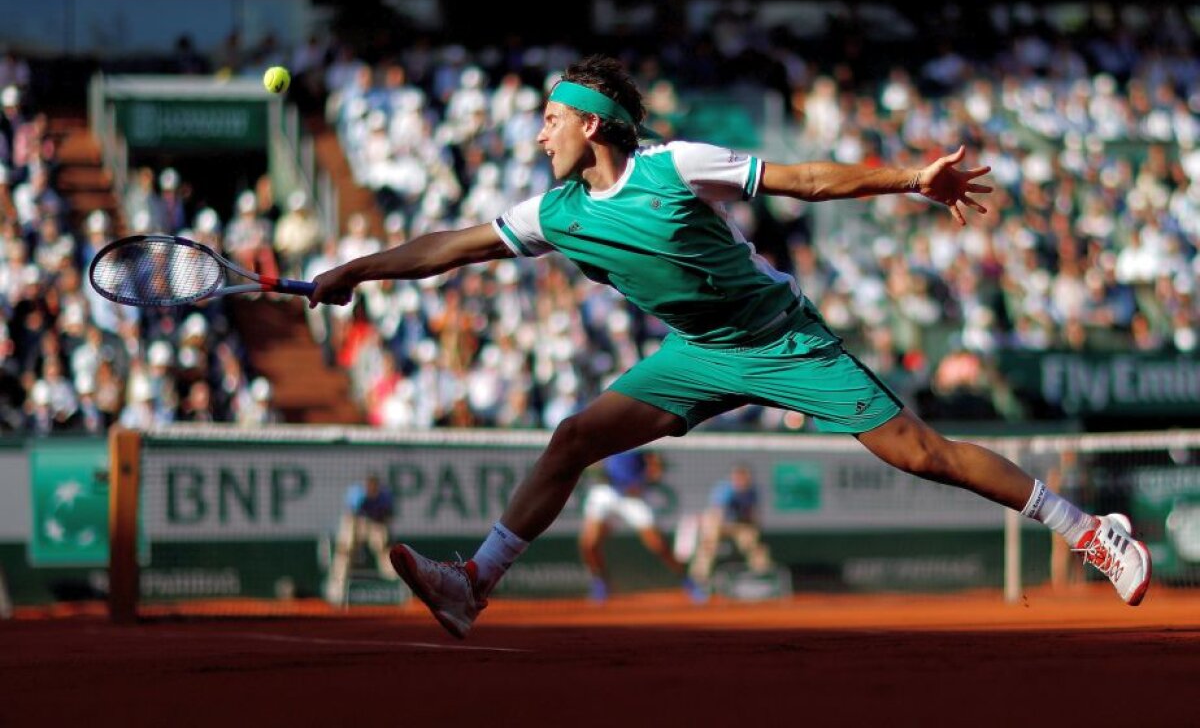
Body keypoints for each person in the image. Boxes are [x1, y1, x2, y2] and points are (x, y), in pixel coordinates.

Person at [309, 55, 1152, 639]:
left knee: (921, 452)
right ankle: (474, 585)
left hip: (785, 338)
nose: (540, 135)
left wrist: (911, 180)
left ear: (595, 124)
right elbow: (448, 247)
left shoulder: (675, 166)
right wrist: (354, 270)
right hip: (699, 350)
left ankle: (1088, 529)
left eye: (552, 119)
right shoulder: (553, 212)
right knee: (574, 437)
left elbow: (810, 181)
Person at [578, 449, 699, 602]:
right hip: (606, 493)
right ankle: (601, 583)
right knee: (588, 543)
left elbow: (655, 466)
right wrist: (596, 468)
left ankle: (687, 580)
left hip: (632, 498)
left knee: (657, 544)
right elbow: (594, 463)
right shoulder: (604, 437)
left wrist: (643, 480)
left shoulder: (639, 439)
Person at [688, 464, 773, 592]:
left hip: (739, 523)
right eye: (738, 478)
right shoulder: (724, 489)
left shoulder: (753, 491)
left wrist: (754, 530)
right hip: (719, 521)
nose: (742, 481)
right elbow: (717, 513)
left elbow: (753, 514)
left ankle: (761, 575)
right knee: (708, 542)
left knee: (753, 543)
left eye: (745, 479)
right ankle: (699, 579)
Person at [326, 474, 396, 604]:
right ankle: (336, 591)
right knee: (344, 551)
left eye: (375, 487)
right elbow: (351, 515)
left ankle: (395, 585)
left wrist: (384, 539)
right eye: (370, 487)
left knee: (386, 550)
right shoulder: (357, 493)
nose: (372, 489)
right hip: (356, 522)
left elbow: (388, 516)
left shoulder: (385, 496)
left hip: (376, 522)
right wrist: (351, 543)